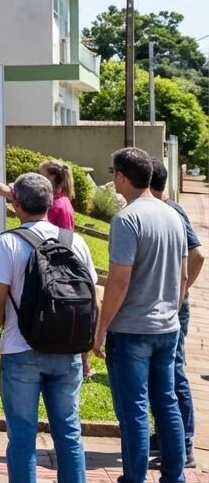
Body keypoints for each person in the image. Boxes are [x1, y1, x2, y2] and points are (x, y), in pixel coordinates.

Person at [0, 173, 97, 483]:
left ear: (15, 203)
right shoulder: (75, 241)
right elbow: (87, 302)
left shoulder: (8, 243)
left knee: (22, 436)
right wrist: (85, 351)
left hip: (21, 350)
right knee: (69, 434)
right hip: (67, 351)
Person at [94, 147, 188, 483]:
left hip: (131, 329)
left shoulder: (127, 218)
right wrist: (172, 311)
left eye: (113, 174)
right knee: (167, 406)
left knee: (133, 411)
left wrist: (101, 328)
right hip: (167, 327)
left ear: (121, 177)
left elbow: (119, 280)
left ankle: (134, 477)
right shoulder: (173, 216)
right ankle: (174, 476)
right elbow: (183, 273)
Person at [149, 159, 206, 469]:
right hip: (167, 306)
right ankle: (165, 436)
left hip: (173, 308)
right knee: (164, 375)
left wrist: (180, 293)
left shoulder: (171, 211)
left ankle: (184, 445)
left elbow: (198, 254)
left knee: (174, 375)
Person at [0, 160, 77, 230]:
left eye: (42, 175)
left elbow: (66, 239)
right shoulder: (43, 194)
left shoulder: (60, 206)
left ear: (52, 178)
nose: (37, 177)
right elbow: (6, 190)